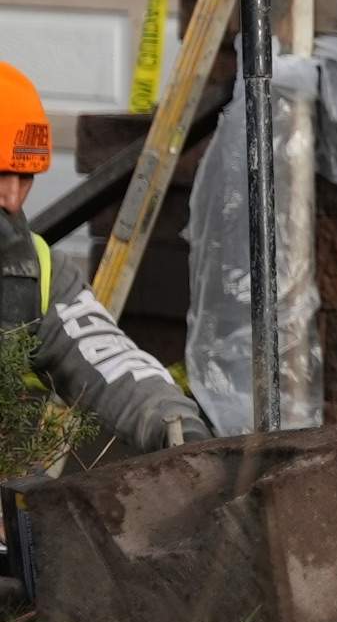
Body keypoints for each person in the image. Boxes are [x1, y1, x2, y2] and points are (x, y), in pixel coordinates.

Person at [0, 60, 211, 453]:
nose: (12, 199)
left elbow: (111, 363)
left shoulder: (34, 275)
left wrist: (175, 426)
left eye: (25, 175)